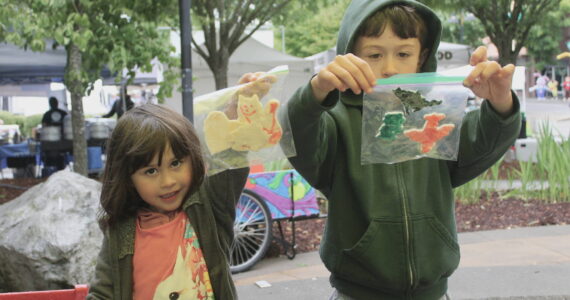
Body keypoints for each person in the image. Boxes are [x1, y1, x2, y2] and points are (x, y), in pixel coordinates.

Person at [265, 1, 520, 299]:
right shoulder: (336, 121)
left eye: (403, 54)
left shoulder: (435, 114)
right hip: (356, 293)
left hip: (434, 292)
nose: (389, 67)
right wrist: (316, 92)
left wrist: (500, 103)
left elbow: (484, 141)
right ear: (350, 58)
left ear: (422, 57)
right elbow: (297, 134)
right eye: (374, 54)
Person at [87, 104, 249, 300]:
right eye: (151, 171)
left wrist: (236, 110)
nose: (168, 182)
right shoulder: (121, 231)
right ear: (127, 178)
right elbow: (102, 293)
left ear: (192, 157)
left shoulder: (208, 208)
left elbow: (229, 163)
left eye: (175, 163)